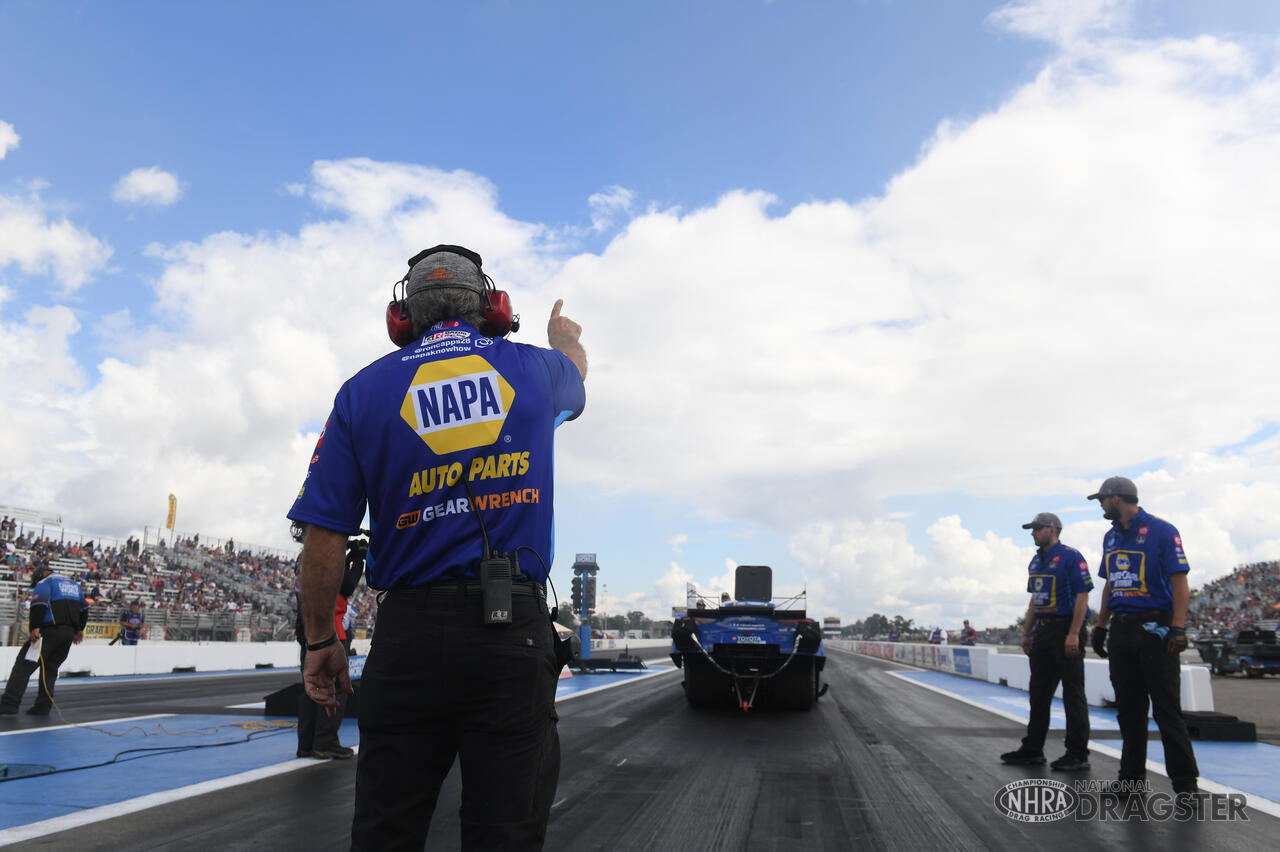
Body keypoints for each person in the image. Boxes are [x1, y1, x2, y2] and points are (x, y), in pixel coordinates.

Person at [288, 243, 586, 850]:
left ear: (402, 318)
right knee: (505, 832)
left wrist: (321, 639)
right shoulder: (537, 370)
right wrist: (563, 337)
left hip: (408, 638)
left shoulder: (361, 392)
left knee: (385, 829)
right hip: (511, 636)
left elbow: (323, 536)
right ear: (494, 309)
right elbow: (577, 372)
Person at [1088, 476, 1199, 795]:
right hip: (1122, 629)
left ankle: (1186, 785)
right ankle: (1131, 780)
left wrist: (1177, 627)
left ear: (1117, 499)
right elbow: (1110, 584)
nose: (1100, 505)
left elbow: (1180, 582)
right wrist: (1100, 626)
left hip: (1156, 627)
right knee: (1128, 709)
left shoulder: (1163, 530)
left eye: (1102, 500)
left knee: (1166, 709)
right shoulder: (1110, 537)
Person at [1001, 512, 1093, 771]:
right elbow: (1034, 600)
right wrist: (1027, 633)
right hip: (1043, 630)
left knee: (1073, 694)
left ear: (1052, 530)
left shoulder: (1071, 557)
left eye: (1037, 529)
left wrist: (1074, 633)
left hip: (1066, 628)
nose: (1033, 533)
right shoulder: (1035, 561)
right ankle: (1032, 748)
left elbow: (1082, 596)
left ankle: (1077, 753)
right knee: (1038, 693)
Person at [294, 525, 365, 760]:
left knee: (310, 690)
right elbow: (344, 587)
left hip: (309, 630)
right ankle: (325, 742)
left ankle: (306, 744)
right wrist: (357, 563)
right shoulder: (325, 557)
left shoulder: (305, 556)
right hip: (330, 631)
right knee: (335, 690)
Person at [1, 561, 88, 716]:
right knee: (49, 669)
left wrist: (34, 627)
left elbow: (39, 605)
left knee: (24, 665)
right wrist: (80, 629)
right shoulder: (74, 585)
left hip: (49, 632)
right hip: (68, 635)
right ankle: (43, 706)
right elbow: (84, 608)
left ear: (41, 573)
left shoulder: (45, 582)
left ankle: (8, 705)